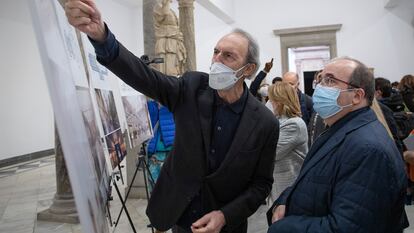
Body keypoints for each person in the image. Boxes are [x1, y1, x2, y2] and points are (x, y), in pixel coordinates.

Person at [64, 1, 280, 233]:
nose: (216, 61)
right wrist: (102, 38)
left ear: (248, 69)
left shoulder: (265, 123)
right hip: (179, 216)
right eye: (216, 52)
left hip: (225, 226)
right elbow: (145, 77)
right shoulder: (192, 87)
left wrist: (225, 216)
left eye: (228, 56)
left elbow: (261, 185)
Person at [267, 57, 408, 233]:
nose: (319, 87)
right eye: (320, 79)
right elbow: (313, 180)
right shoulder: (338, 128)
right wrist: (284, 201)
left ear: (357, 96)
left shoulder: (367, 149)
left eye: (330, 80)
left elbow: (347, 227)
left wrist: (282, 228)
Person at [267, 82, 308, 201]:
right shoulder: (278, 120)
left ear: (280, 102)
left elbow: (271, 153)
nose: (269, 103)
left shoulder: (293, 124)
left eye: (271, 100)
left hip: (288, 187)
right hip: (277, 186)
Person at [154, 0, 187, 76]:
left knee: (174, 63)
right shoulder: (158, 7)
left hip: (173, 39)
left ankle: (173, 78)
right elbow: (163, 14)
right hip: (166, 41)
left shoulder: (170, 10)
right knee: (166, 64)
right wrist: (166, 2)